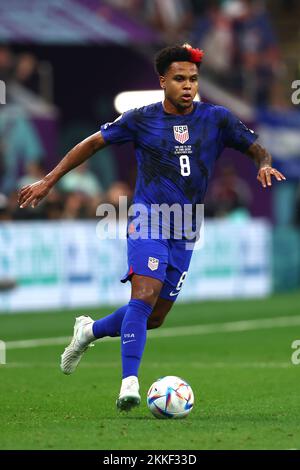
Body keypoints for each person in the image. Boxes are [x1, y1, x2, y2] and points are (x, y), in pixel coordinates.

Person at [18, 44, 286, 412]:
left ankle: (89, 331)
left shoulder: (216, 118)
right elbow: (93, 143)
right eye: (179, 79)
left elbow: (256, 147)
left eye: (193, 79)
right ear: (162, 81)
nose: (188, 86)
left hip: (187, 226)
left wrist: (263, 163)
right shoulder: (140, 118)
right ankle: (129, 383)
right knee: (143, 296)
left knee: (154, 316)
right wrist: (49, 179)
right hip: (148, 217)